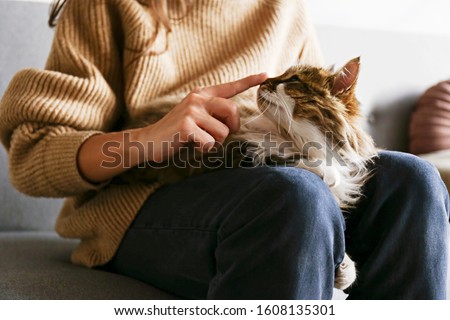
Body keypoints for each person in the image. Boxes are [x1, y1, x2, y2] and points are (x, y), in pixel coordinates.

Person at [0, 0, 448, 300]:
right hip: (146, 201)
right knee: (292, 196)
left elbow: (323, 117)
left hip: (272, 181)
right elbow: (34, 154)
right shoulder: (105, 6)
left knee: (414, 180)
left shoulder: (283, 7)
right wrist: (150, 138)